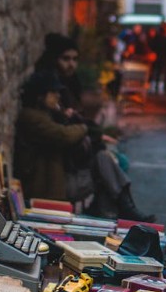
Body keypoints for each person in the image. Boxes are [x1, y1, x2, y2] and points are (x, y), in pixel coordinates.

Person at [31, 33, 156, 222]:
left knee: (110, 159)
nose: (71, 64)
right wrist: (80, 126)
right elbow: (67, 133)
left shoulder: (68, 87)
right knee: (105, 161)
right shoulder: (38, 112)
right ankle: (121, 209)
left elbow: (80, 124)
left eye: (74, 59)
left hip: (75, 161)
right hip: (62, 174)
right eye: (66, 59)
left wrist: (80, 125)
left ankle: (117, 209)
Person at [13, 72, 89, 202]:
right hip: (42, 188)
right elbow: (64, 135)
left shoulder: (45, 114)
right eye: (53, 92)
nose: (57, 96)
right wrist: (83, 128)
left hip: (51, 184)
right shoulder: (31, 117)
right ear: (40, 96)